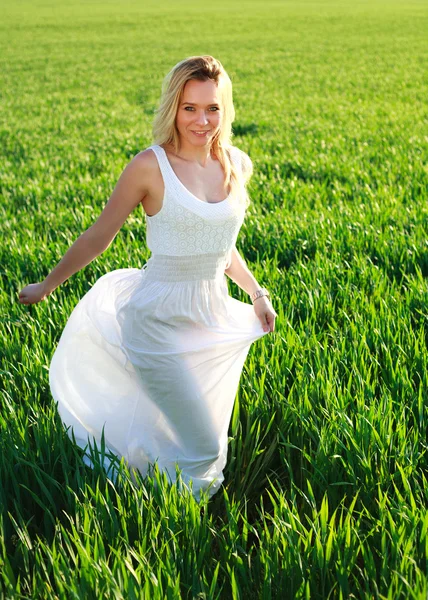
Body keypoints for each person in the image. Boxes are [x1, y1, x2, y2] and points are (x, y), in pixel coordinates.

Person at [18, 55, 278, 500]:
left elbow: (221, 248)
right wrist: (47, 285)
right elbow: (99, 236)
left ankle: (151, 496)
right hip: (156, 320)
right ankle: (179, 528)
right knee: (203, 446)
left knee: (179, 431)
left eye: (212, 108)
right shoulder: (150, 166)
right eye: (190, 108)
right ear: (173, 108)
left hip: (207, 318)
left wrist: (257, 294)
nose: (202, 120)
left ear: (225, 109)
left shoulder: (234, 165)